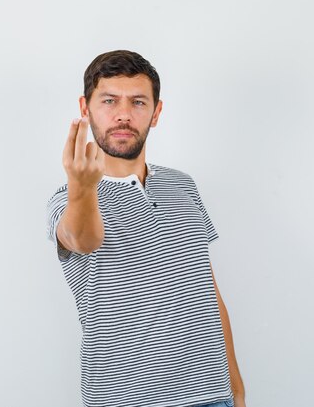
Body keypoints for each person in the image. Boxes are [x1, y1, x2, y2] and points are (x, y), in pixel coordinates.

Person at [46, 50, 246, 407]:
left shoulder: (183, 185)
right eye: (109, 101)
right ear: (85, 107)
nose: (123, 114)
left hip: (212, 395)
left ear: (156, 113)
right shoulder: (68, 199)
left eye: (138, 102)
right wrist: (81, 186)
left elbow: (207, 290)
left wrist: (236, 387)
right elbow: (82, 238)